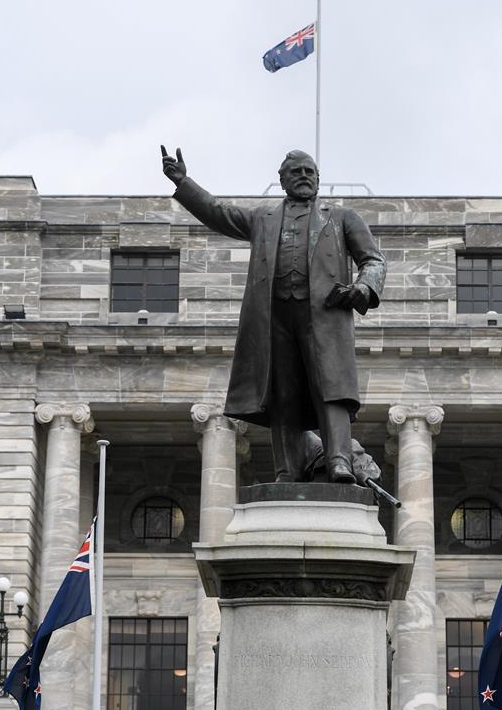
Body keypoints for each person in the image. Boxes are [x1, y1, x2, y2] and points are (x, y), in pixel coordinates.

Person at [161, 146, 386, 483]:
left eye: (310, 172)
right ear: (283, 181)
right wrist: (184, 182)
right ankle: (288, 470)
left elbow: (373, 260)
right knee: (284, 395)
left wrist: (363, 288)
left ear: (318, 180)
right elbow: (219, 213)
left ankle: (340, 461)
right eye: (296, 172)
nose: (305, 177)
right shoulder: (262, 219)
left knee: (332, 390)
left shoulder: (342, 218)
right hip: (274, 318)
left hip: (324, 318)